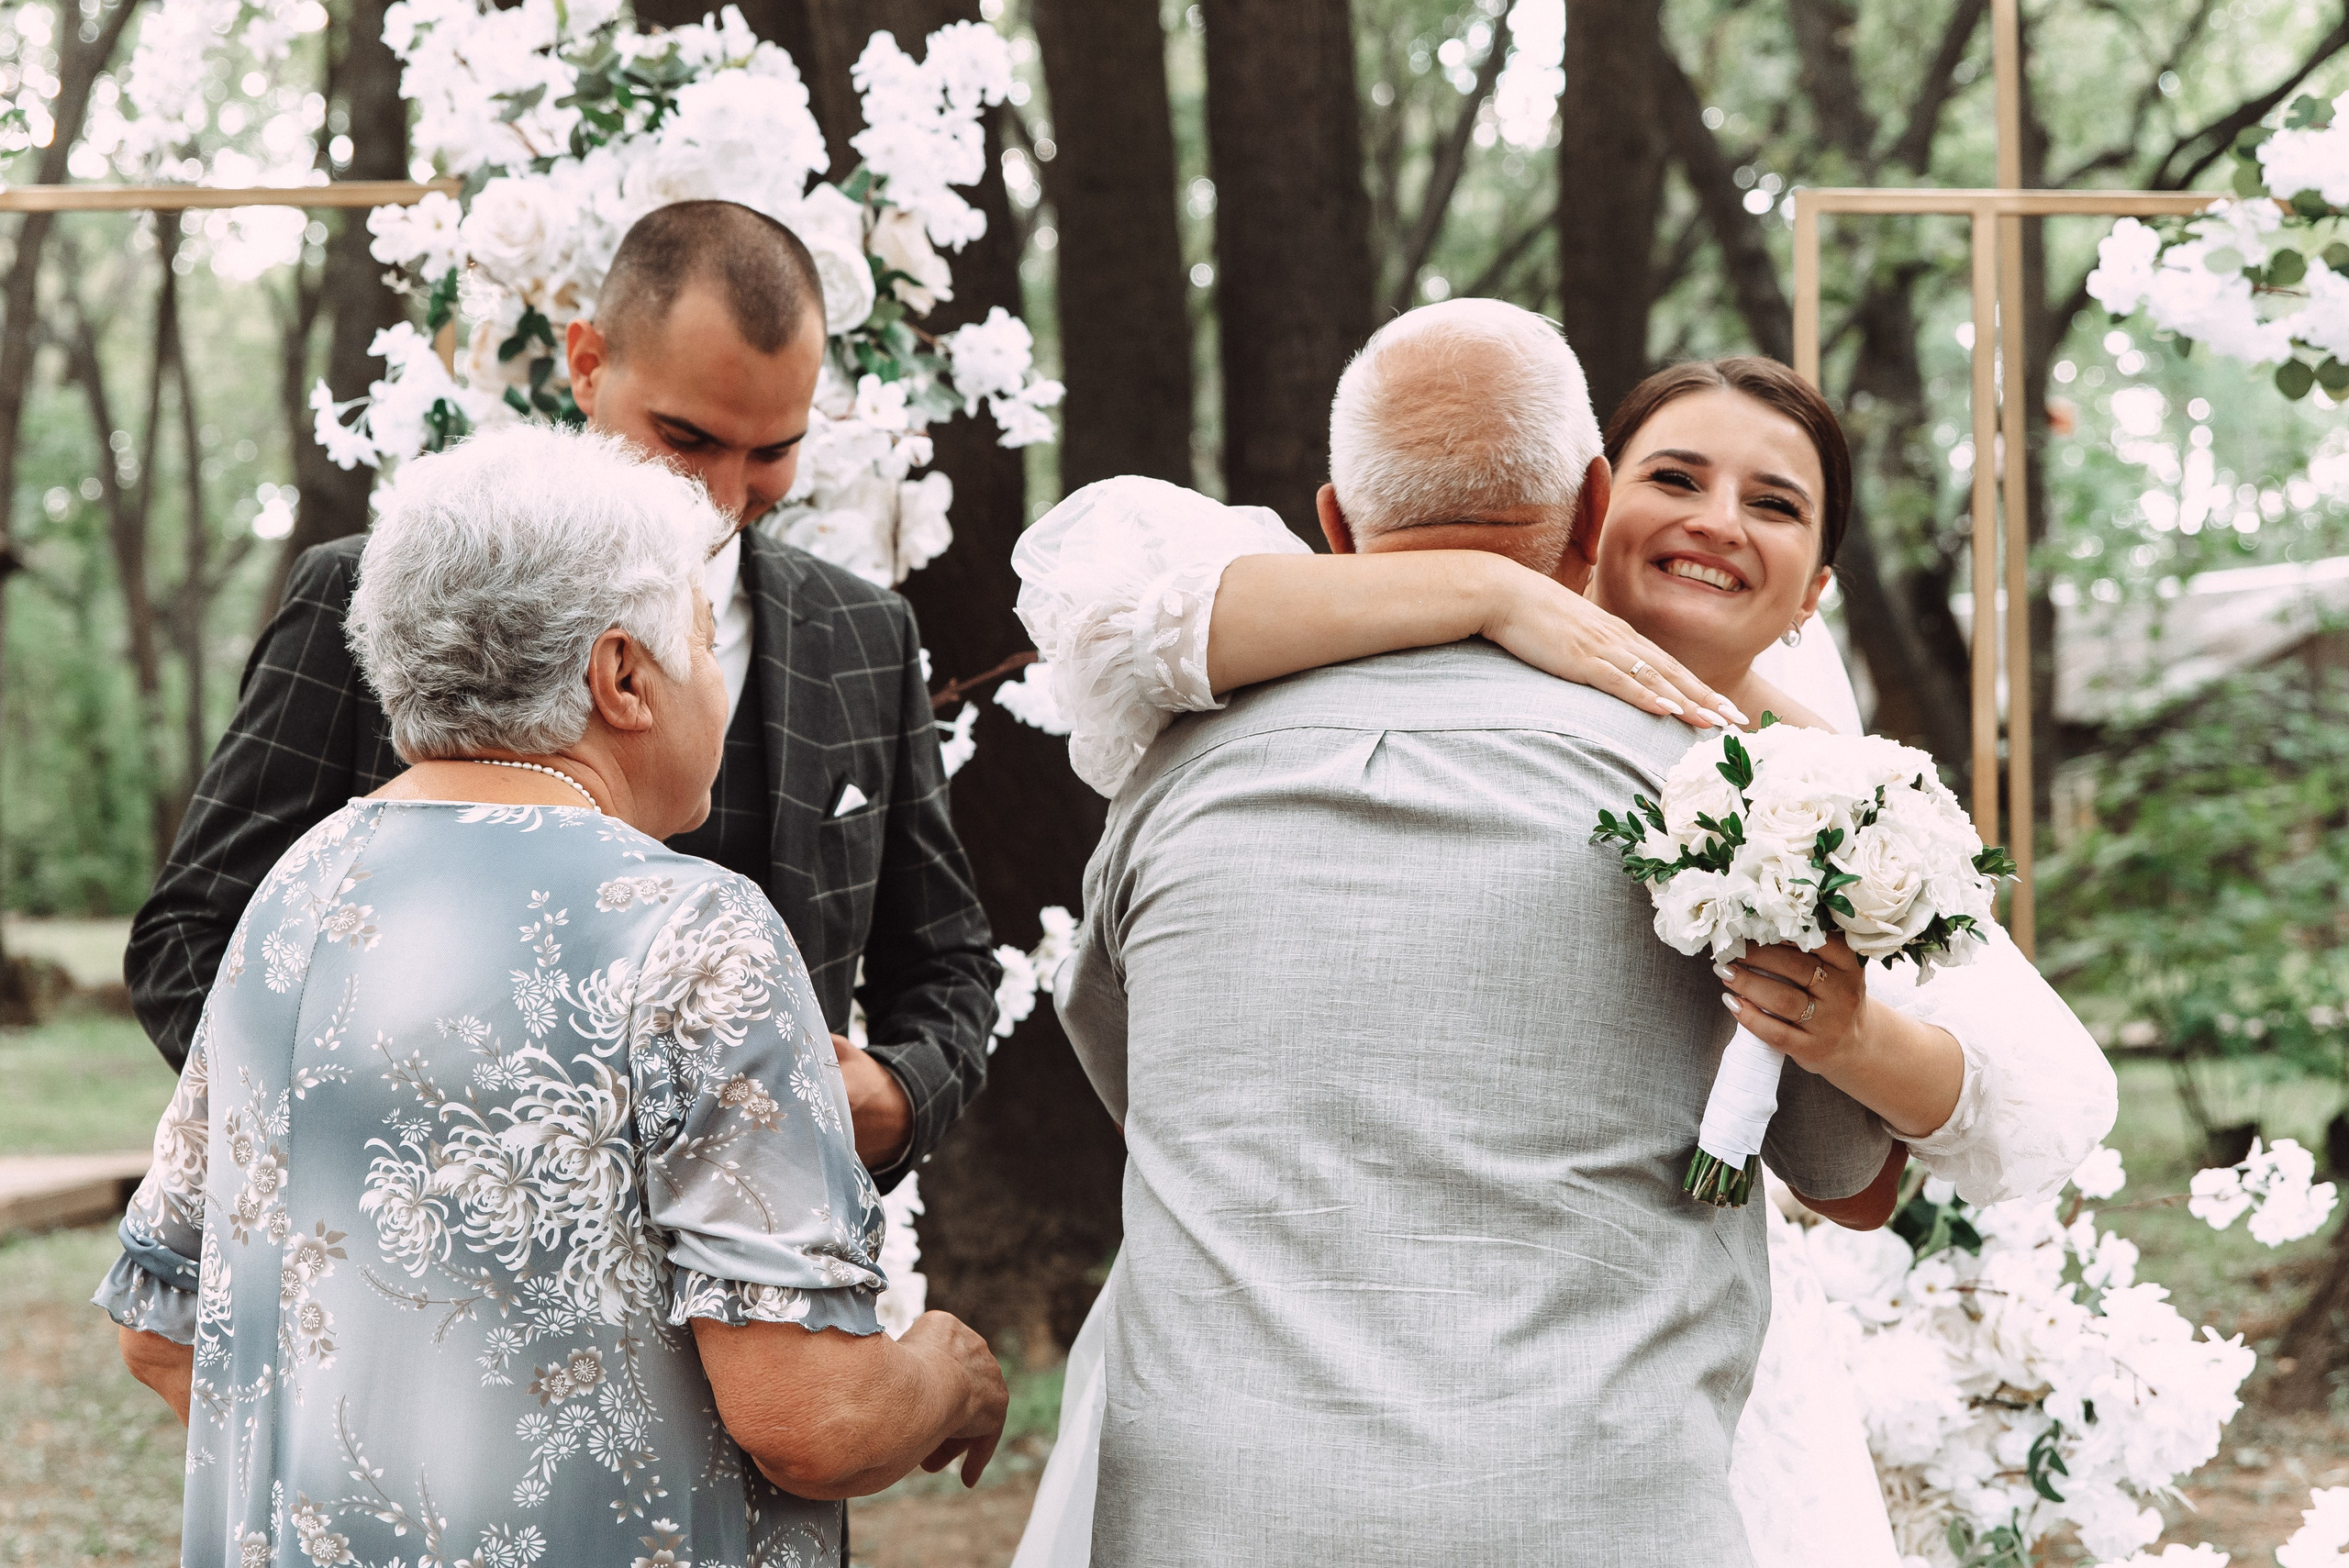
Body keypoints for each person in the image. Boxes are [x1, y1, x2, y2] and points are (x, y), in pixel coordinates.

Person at [1010, 304, 2116, 1566]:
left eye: (1773, 503)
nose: (1713, 524)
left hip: (1226, 1504)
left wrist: (1851, 1031)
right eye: (1678, 478)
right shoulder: (1701, 800)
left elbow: (1131, 1064)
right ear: (1597, 510)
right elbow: (1837, 1165)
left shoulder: (1177, 769)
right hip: (1590, 1497)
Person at [95, 423, 1009, 1568]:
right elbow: (816, 1419)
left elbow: (160, 1325)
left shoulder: (295, 895)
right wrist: (944, 1372)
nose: (717, 676)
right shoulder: (693, 932)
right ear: (623, 676)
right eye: (700, 640)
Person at [127, 199, 996, 1187]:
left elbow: (948, 959)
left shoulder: (863, 637)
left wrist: (899, 1093)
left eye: (772, 451)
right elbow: (190, 937)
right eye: (687, 436)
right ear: (586, 363)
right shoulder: (370, 597)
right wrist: (376, 1162)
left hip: (764, 1277)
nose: (720, 494)